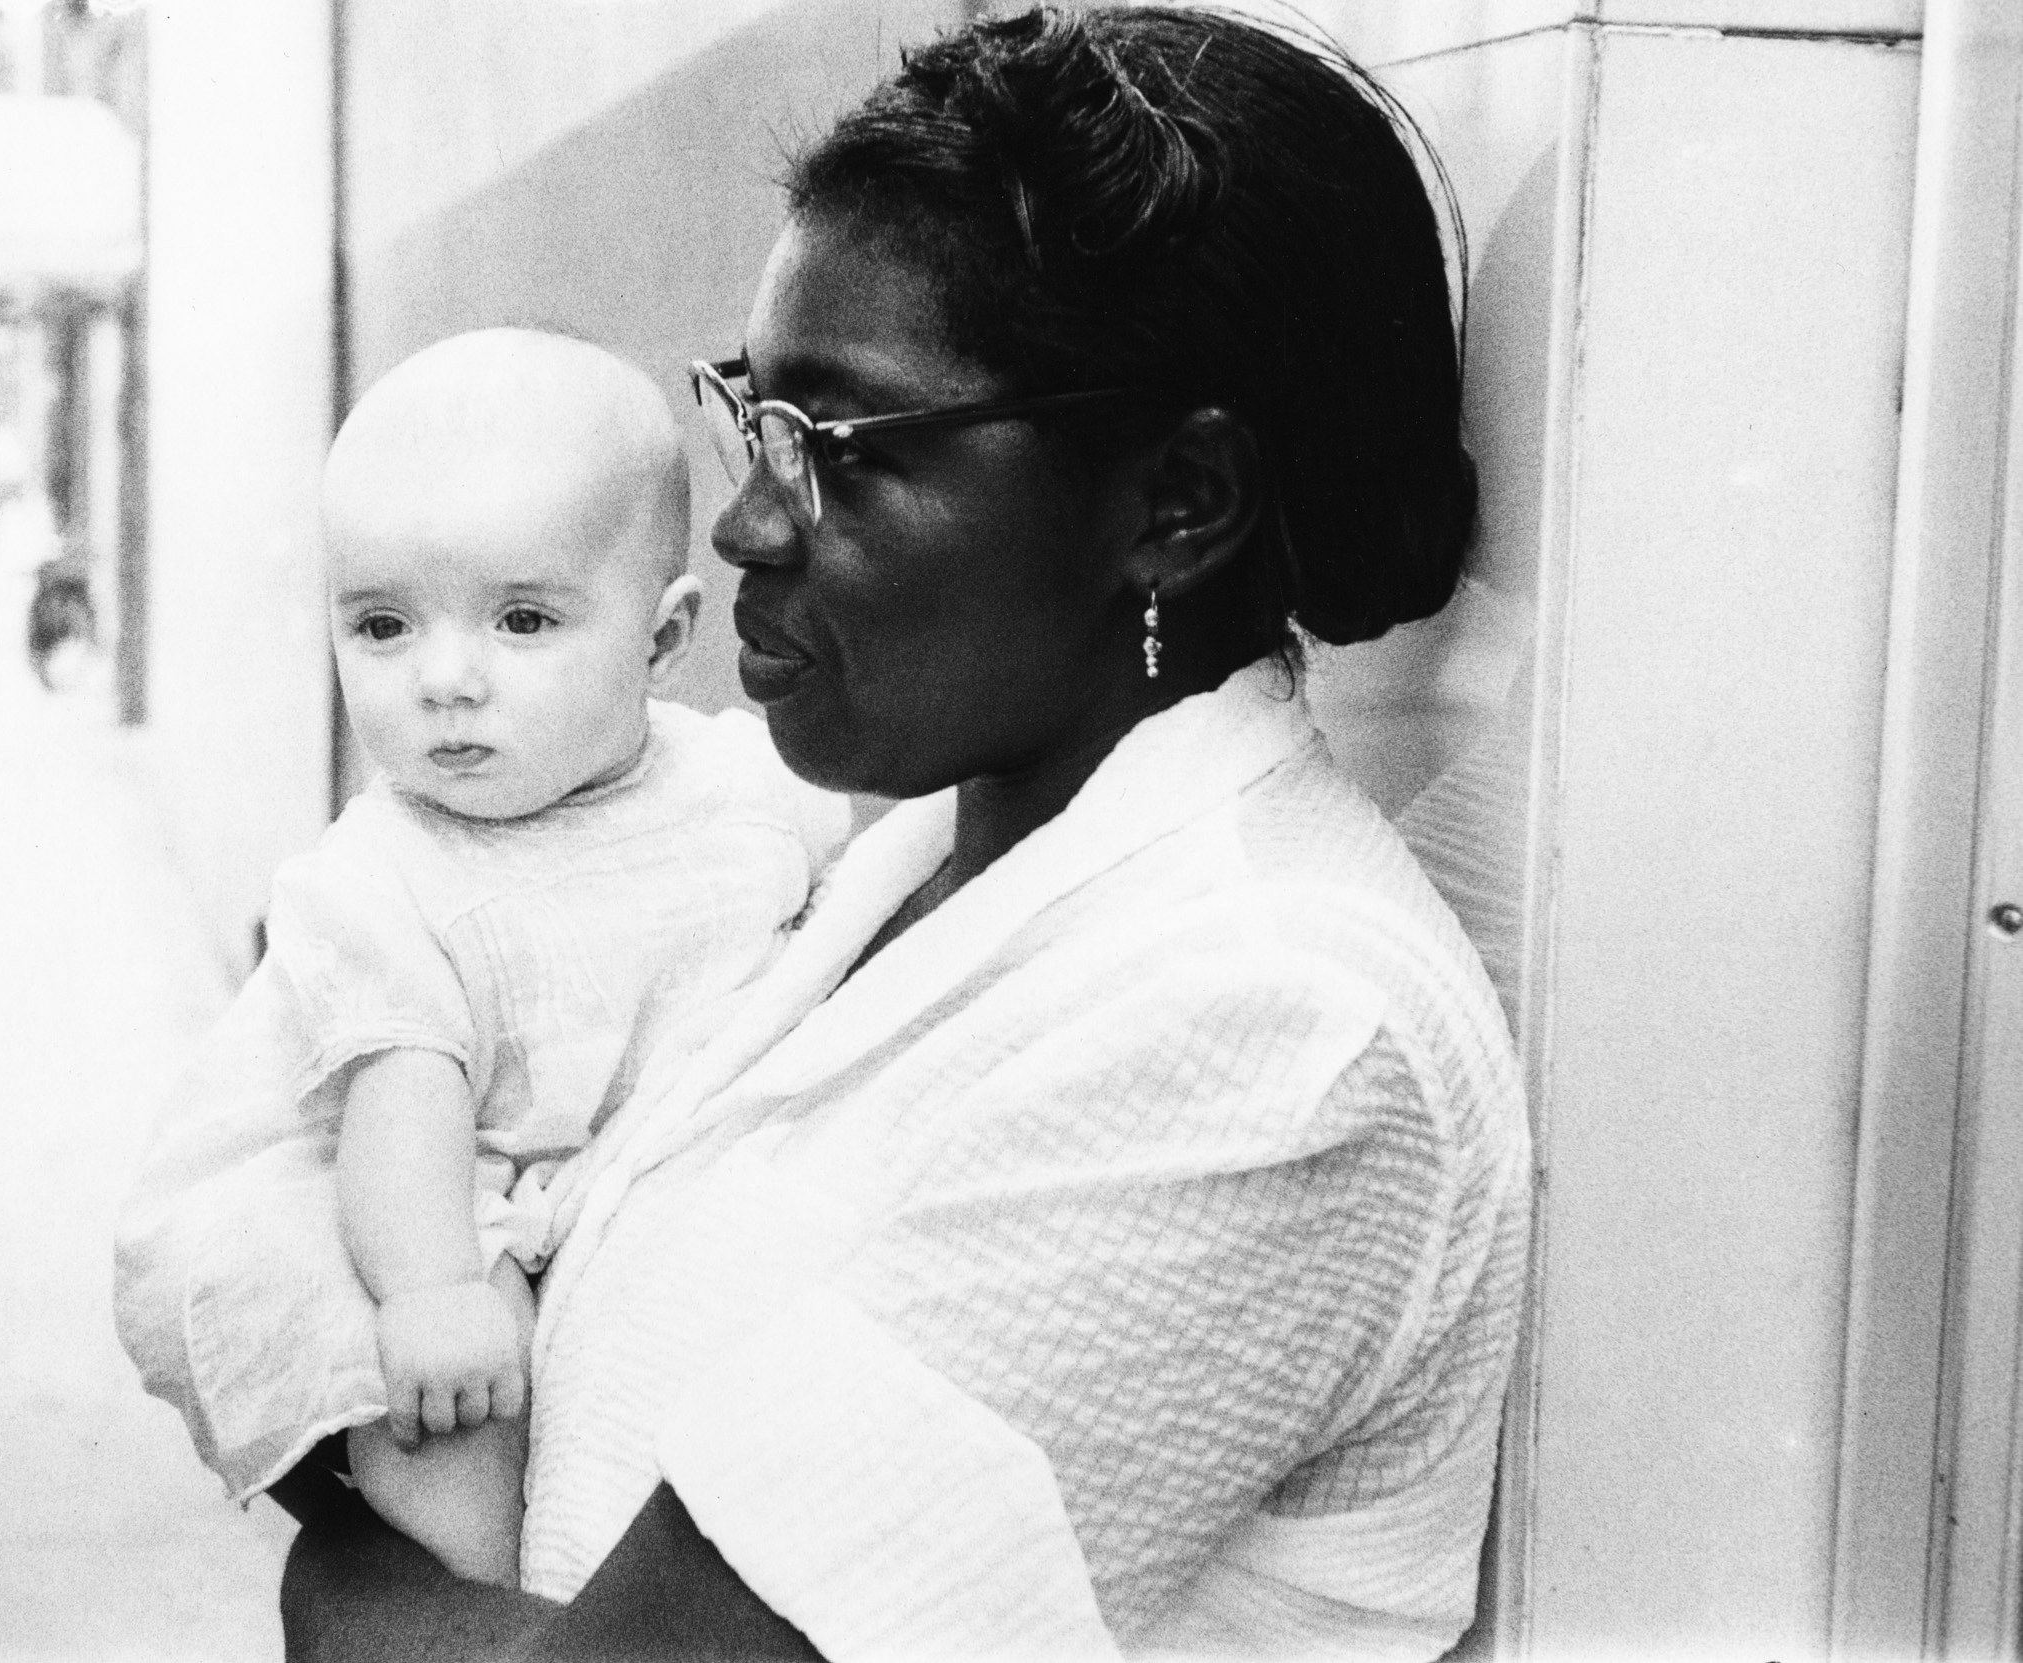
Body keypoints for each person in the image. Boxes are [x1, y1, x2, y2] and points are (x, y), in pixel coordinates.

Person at [134, 8, 1531, 1658]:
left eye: (840, 450)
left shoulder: (1279, 1031)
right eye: (752, 416)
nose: (740, 520)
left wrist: (336, 1578)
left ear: (1175, 504)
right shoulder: (881, 865)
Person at [114, 329, 850, 1588]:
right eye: (384, 625)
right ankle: (490, 1595)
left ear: (663, 640)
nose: (445, 679)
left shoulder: (740, 787)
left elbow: (826, 924)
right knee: (456, 1405)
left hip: (644, 1166)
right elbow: (405, 1097)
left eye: (521, 621)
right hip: (451, 1198)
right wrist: (432, 1289)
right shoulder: (381, 877)